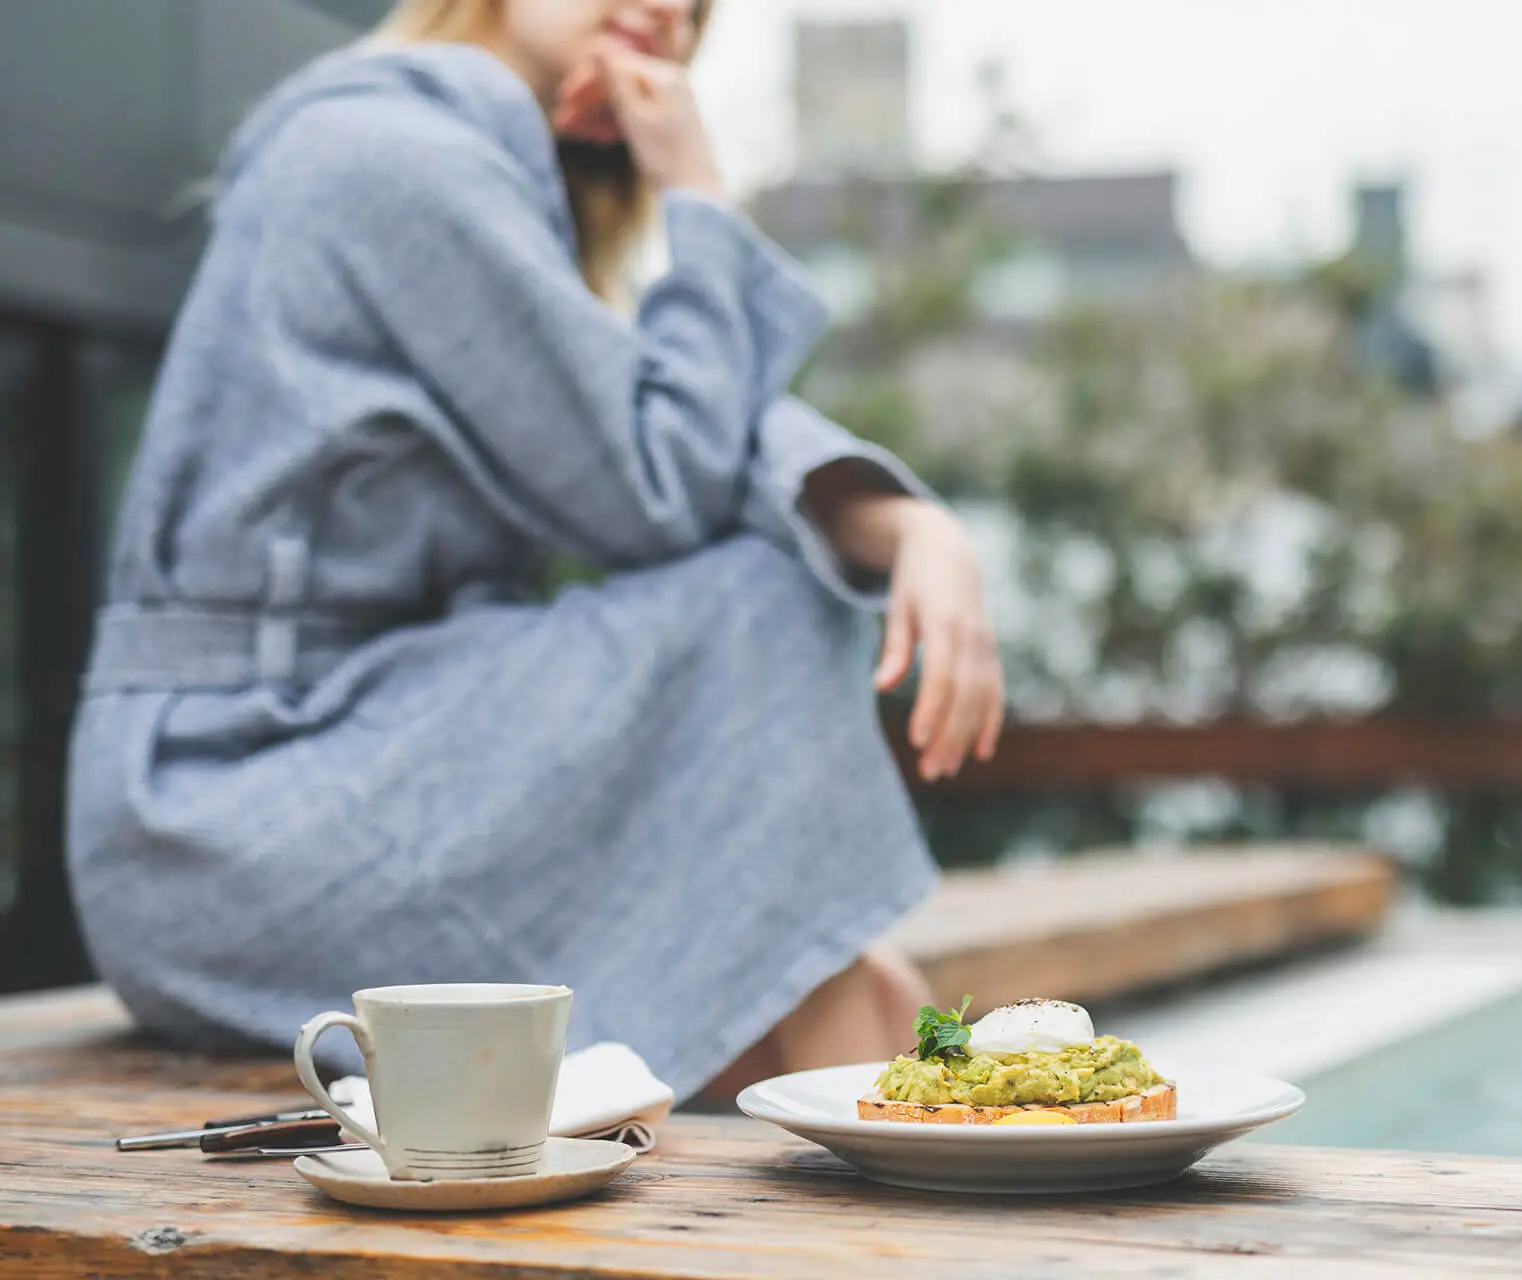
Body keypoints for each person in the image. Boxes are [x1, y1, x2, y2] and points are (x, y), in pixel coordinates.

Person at [67, 0, 1004, 1107]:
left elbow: (682, 426)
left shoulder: (471, 169)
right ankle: (914, 1187)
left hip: (362, 761)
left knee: (849, 983)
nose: (672, 10)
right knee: (764, 608)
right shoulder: (391, 156)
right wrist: (697, 196)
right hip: (229, 804)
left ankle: (901, 1168)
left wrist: (908, 526)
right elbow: (659, 487)